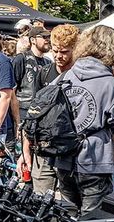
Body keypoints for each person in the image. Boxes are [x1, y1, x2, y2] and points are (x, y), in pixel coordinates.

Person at [54, 26, 114, 213]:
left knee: (68, 218)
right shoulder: (113, 86)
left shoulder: (65, 76)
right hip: (95, 161)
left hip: (64, 159)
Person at [25, 24, 79, 195]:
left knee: (69, 205)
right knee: (39, 201)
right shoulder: (45, 72)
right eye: (55, 51)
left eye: (64, 52)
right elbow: (34, 111)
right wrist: (26, 148)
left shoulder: (80, 74)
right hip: (45, 148)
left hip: (70, 149)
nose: (58, 56)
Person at [11, 27, 53, 139]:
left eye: (48, 37)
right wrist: (17, 121)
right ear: (33, 40)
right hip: (24, 112)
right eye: (44, 37)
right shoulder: (21, 59)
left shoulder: (48, 63)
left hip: (41, 114)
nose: (47, 40)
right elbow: (11, 92)